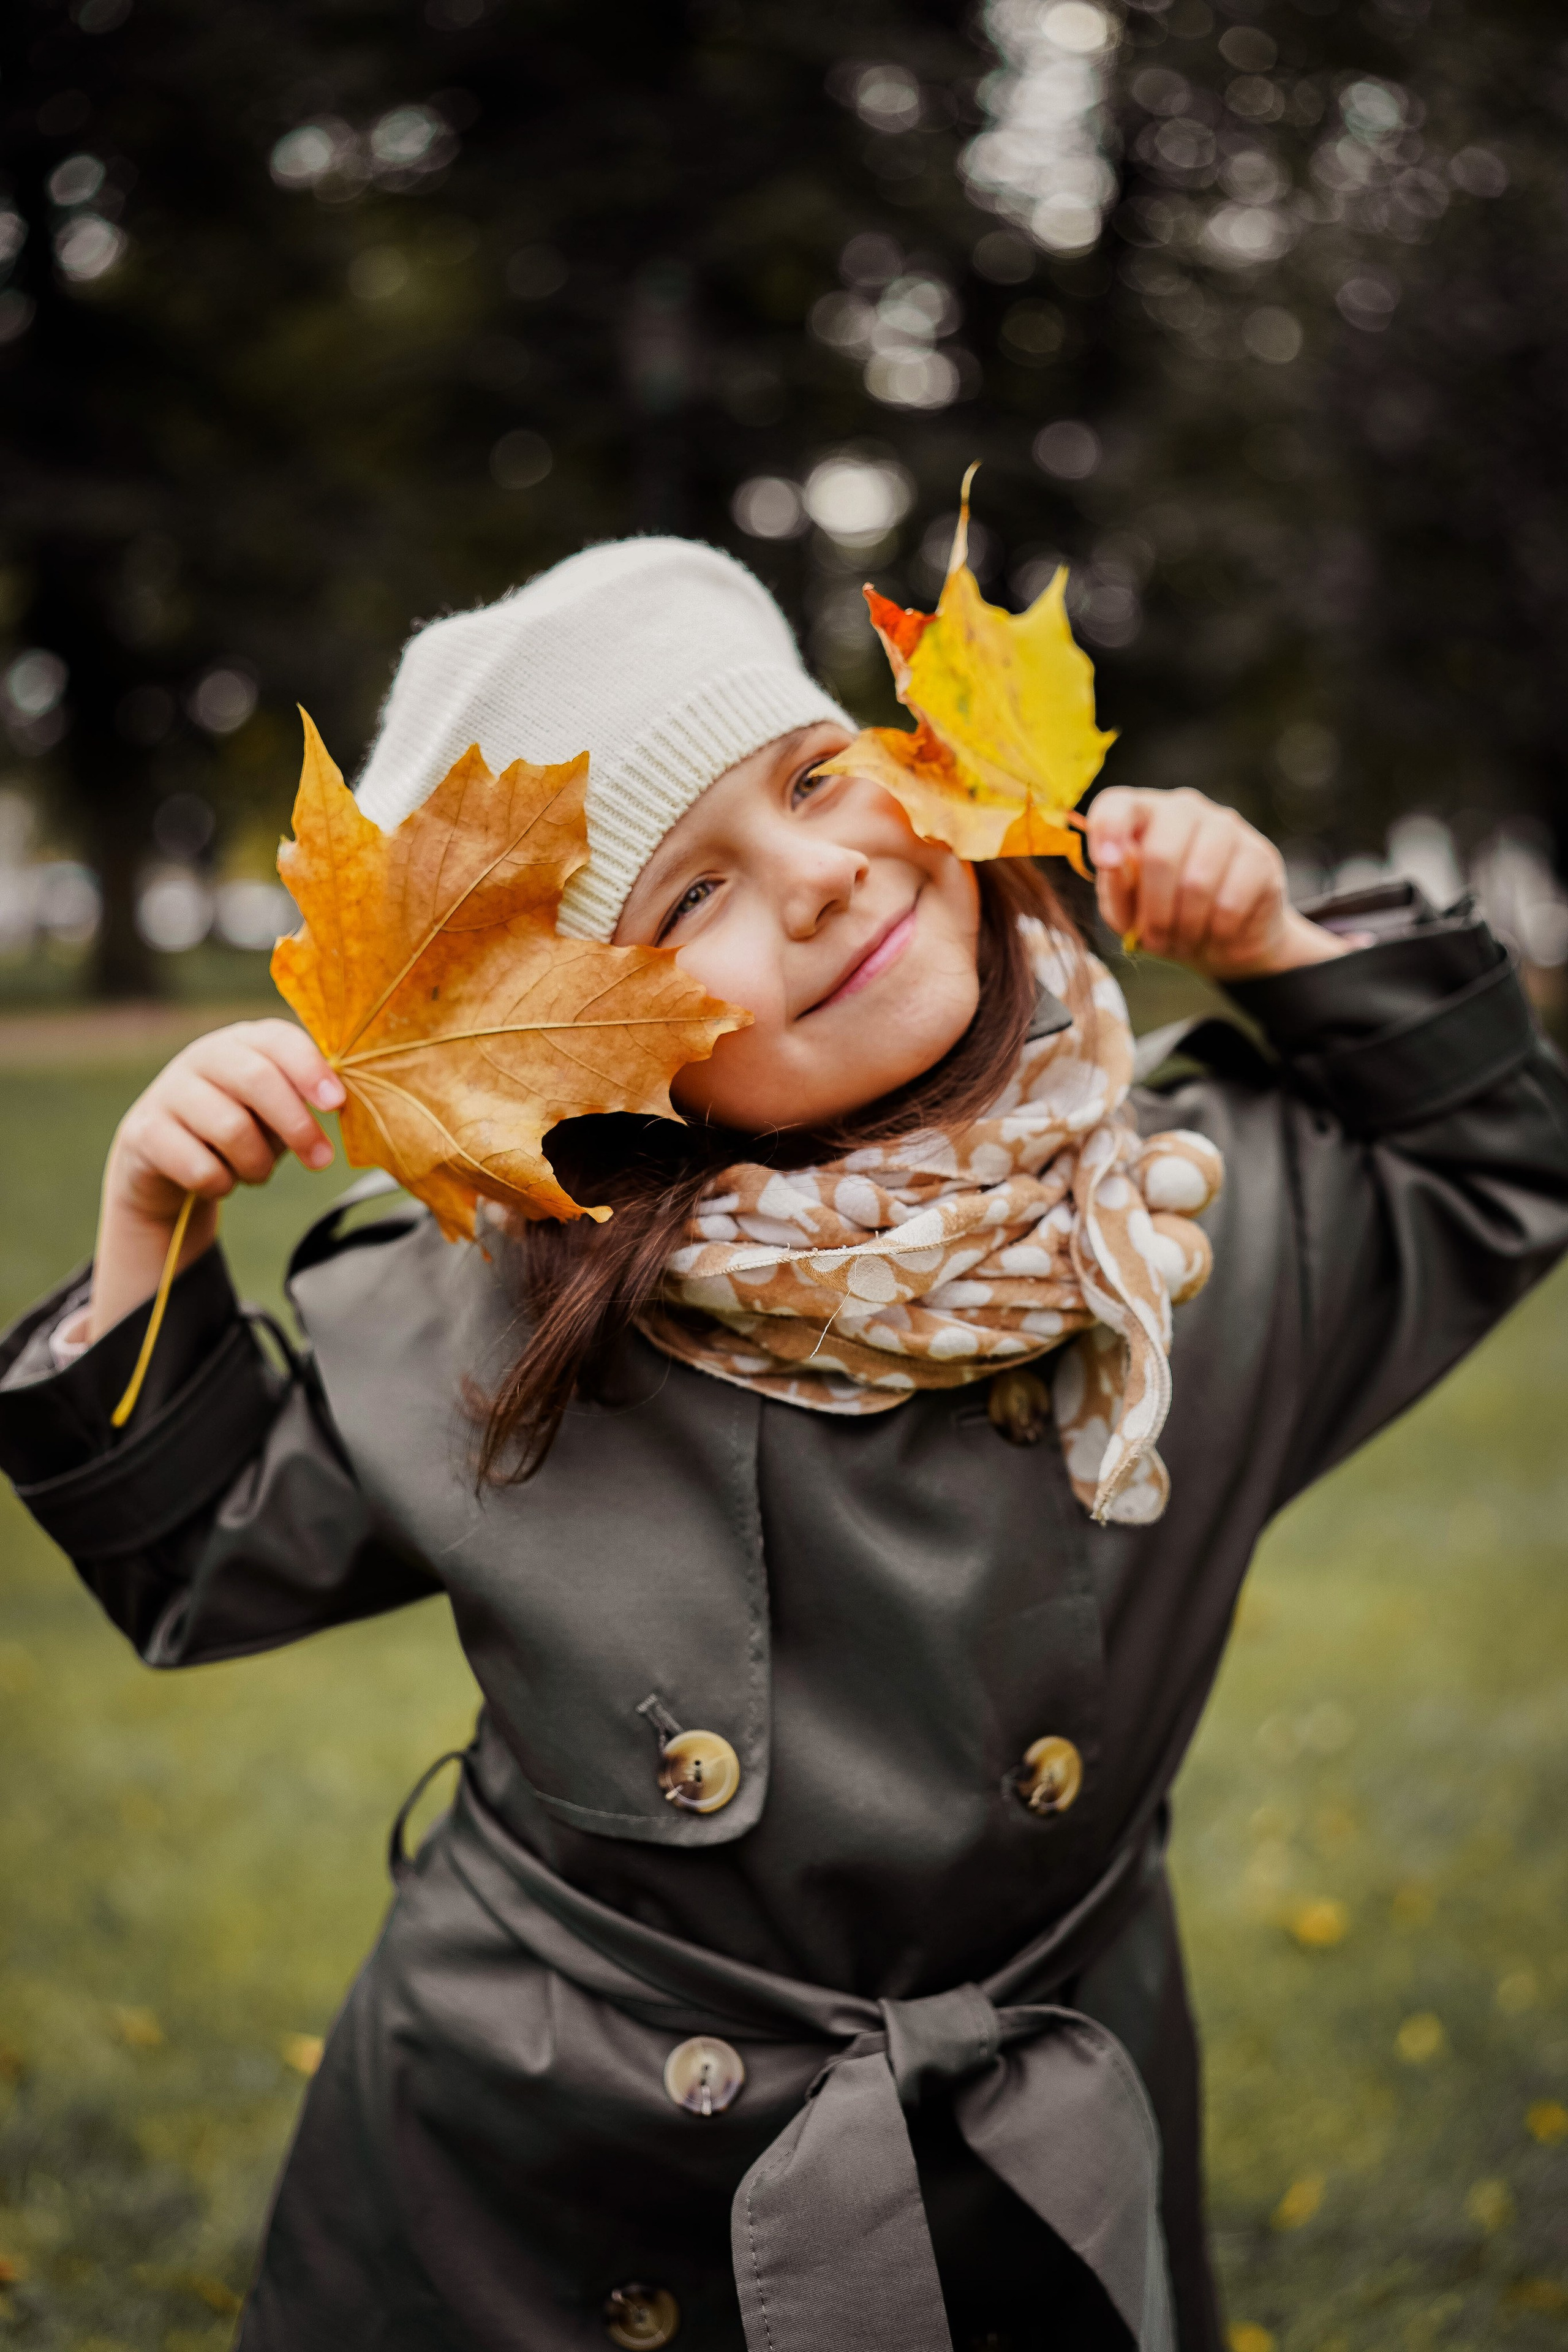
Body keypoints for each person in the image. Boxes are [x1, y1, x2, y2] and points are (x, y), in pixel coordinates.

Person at [2, 537, 1565, 2352]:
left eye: (821, 776)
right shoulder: (507, 1331)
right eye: (686, 904)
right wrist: (148, 1217)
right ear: (595, 1060)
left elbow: (1495, 1162)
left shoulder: (1173, 1242)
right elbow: (202, 1559)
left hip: (1033, 2136)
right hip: (544, 2179)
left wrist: (1280, 949)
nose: (821, 878)